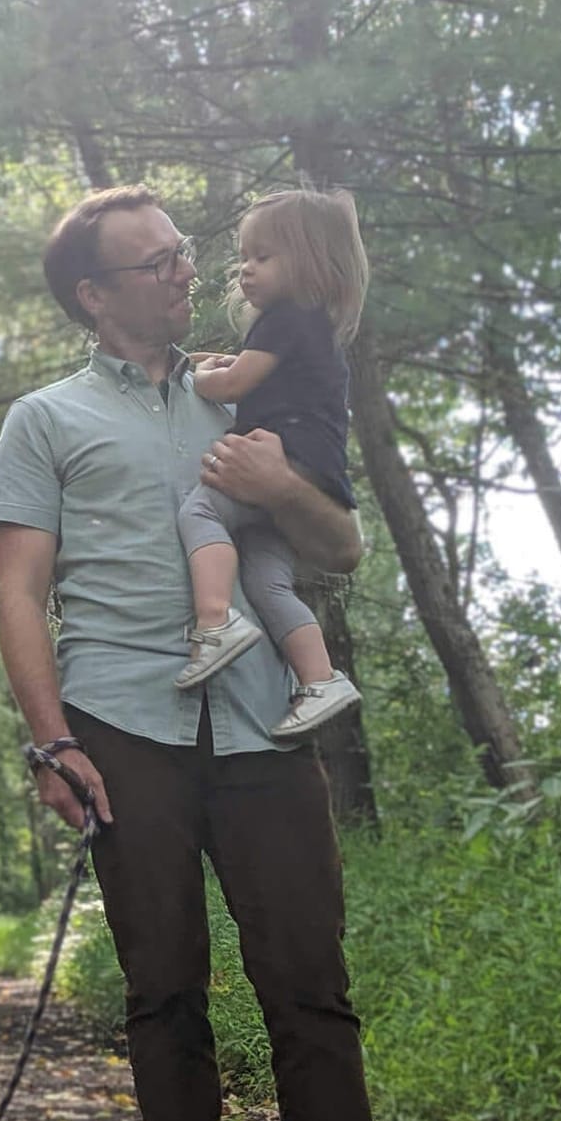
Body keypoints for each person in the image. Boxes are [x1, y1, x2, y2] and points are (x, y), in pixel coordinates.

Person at [0, 185, 476, 1121]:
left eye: (182, 255)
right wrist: (50, 738)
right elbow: (16, 591)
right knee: (161, 990)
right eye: (151, 263)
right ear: (92, 293)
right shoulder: (44, 418)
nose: (181, 273)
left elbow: (340, 548)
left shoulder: (259, 386)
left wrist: (279, 487)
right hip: (118, 726)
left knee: (308, 983)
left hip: (264, 723)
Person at [172, 190, 364, 742]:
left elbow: (231, 385)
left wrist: (190, 375)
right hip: (316, 473)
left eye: (263, 257)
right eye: (243, 257)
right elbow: (266, 376)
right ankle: (320, 677)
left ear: (306, 261)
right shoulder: (313, 328)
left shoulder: (284, 317)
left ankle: (214, 622)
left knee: (202, 511)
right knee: (266, 580)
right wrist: (229, 366)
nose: (245, 270)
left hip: (281, 460)